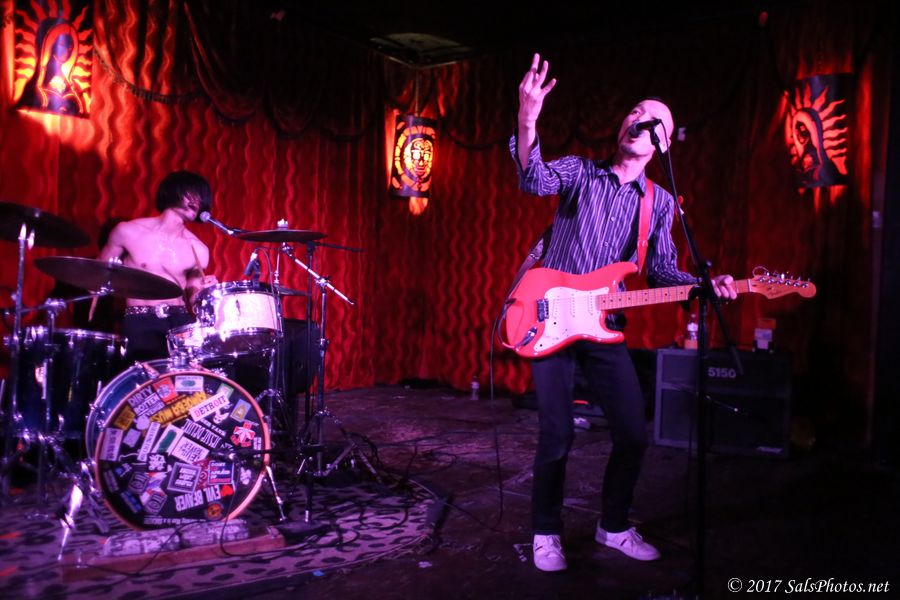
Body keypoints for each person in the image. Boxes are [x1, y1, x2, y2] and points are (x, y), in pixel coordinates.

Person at [511, 54, 737, 572]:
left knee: (634, 433)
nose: (640, 118)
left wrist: (705, 286)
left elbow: (661, 271)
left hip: (604, 325)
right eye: (635, 111)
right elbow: (533, 180)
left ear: (663, 144)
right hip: (549, 318)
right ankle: (545, 531)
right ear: (621, 127)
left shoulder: (659, 202)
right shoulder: (580, 172)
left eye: (653, 118)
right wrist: (528, 118)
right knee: (558, 434)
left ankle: (613, 525)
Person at [98, 170, 217, 362]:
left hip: (180, 321)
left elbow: (193, 297)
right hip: (141, 320)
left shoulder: (199, 249)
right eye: (191, 193)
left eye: (201, 196)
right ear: (172, 191)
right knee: (143, 378)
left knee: (184, 378)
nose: (197, 201)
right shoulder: (128, 232)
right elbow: (96, 277)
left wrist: (204, 292)